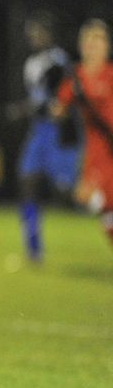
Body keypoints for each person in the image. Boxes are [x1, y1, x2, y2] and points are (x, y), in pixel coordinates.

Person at [13, 10, 77, 263]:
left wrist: (48, 106)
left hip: (58, 134)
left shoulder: (59, 60)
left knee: (75, 193)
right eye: (31, 33)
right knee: (27, 183)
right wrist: (26, 108)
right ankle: (34, 248)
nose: (34, 37)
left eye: (39, 32)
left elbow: (64, 98)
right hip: (38, 133)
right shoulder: (31, 63)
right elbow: (37, 100)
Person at [53, 18, 113, 248]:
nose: (93, 45)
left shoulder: (110, 74)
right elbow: (59, 108)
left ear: (107, 46)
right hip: (99, 153)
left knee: (105, 208)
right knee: (91, 199)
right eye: (89, 40)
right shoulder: (76, 78)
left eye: (98, 39)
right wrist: (53, 108)